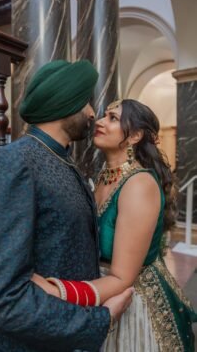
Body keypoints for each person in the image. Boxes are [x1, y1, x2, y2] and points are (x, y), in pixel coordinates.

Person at [0, 60, 133, 352]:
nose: (92, 113)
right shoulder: (14, 162)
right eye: (85, 103)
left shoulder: (61, 160)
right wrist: (100, 320)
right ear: (65, 104)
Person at [33, 98, 197, 351]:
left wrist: (56, 291)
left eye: (112, 118)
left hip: (131, 301)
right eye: (103, 115)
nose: (99, 121)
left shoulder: (139, 184)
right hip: (99, 292)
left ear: (135, 136)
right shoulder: (103, 178)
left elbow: (122, 277)